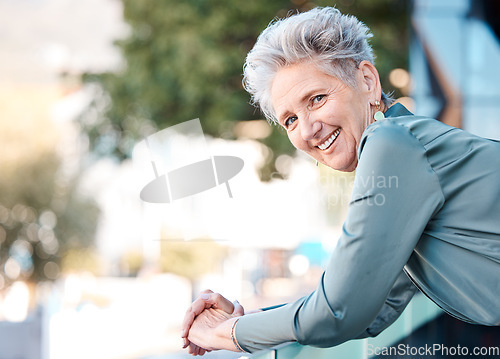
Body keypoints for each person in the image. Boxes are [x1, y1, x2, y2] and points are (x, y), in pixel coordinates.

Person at [181, 6, 500, 356]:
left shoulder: (392, 144)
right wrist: (245, 318)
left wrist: (223, 334)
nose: (307, 130)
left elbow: (338, 311)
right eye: (289, 120)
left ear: (367, 80)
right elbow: (370, 309)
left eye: (317, 99)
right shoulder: (408, 149)